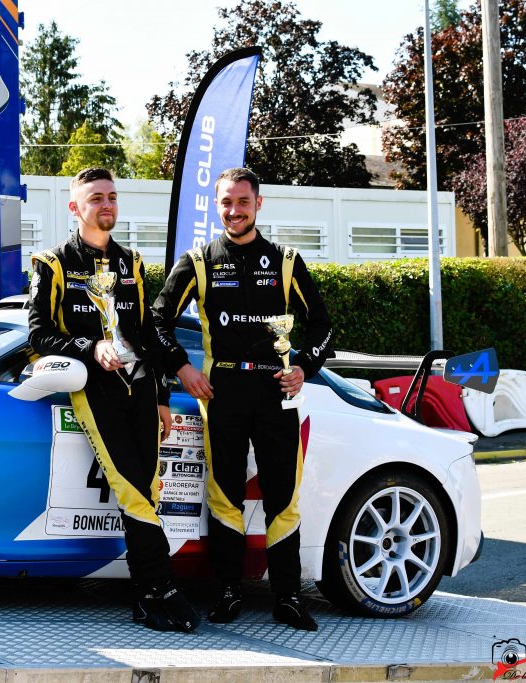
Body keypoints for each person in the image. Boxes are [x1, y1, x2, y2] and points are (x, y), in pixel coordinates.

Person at [152, 167, 334, 631]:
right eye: (226, 203)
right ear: (217, 206)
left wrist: (303, 368)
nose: (234, 211)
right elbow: (157, 321)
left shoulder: (287, 261)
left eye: (242, 202)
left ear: (258, 203)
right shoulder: (198, 261)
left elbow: (323, 326)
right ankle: (228, 591)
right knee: (224, 495)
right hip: (224, 392)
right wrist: (183, 367)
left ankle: (289, 597)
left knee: (283, 498)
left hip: (276, 392)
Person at [28, 167, 200, 633]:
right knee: (130, 488)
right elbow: (39, 334)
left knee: (148, 489)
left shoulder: (132, 263)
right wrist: (90, 347)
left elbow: (146, 334)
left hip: (141, 387)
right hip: (92, 388)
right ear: (75, 208)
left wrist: (163, 394)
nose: (106, 205)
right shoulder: (53, 262)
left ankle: (147, 596)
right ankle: (162, 587)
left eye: (111, 197)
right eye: (95, 198)